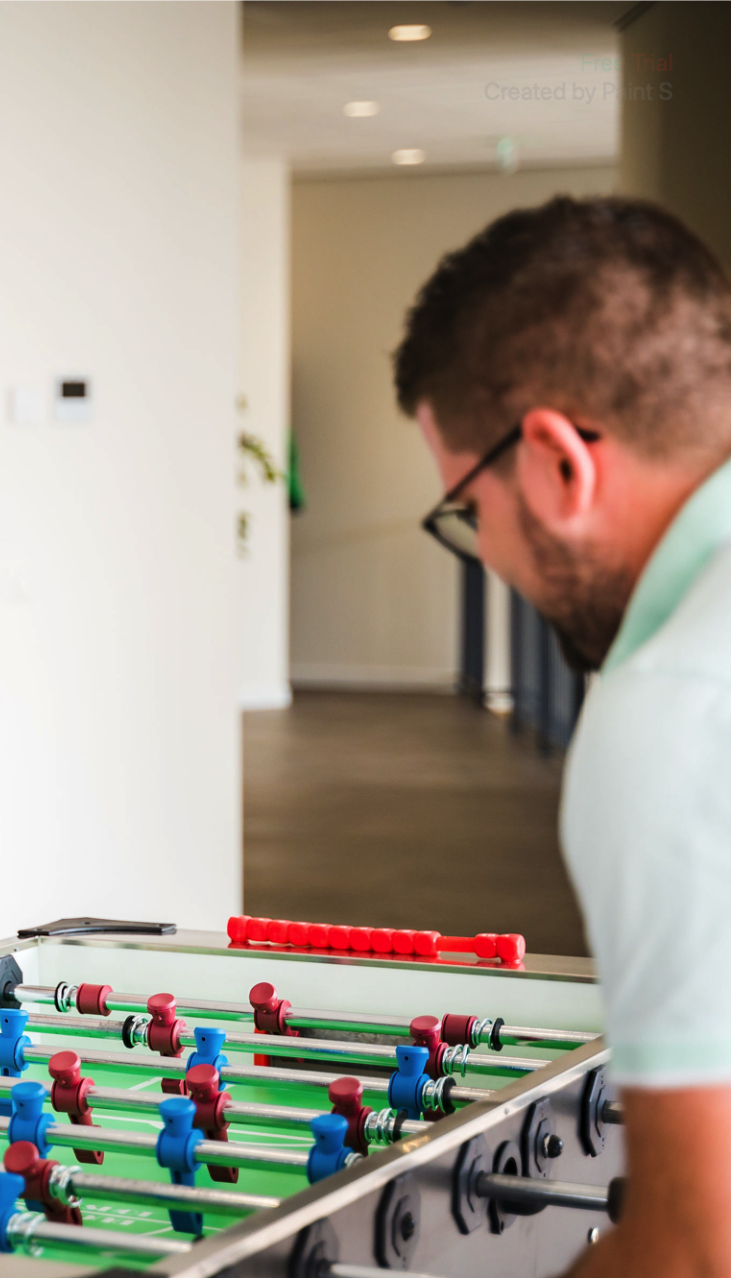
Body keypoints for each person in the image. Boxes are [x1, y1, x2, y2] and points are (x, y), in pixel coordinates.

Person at [397, 195, 731, 1276]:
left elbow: (694, 1251)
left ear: (556, 463)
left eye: (467, 509)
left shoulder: (671, 710)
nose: (488, 552)